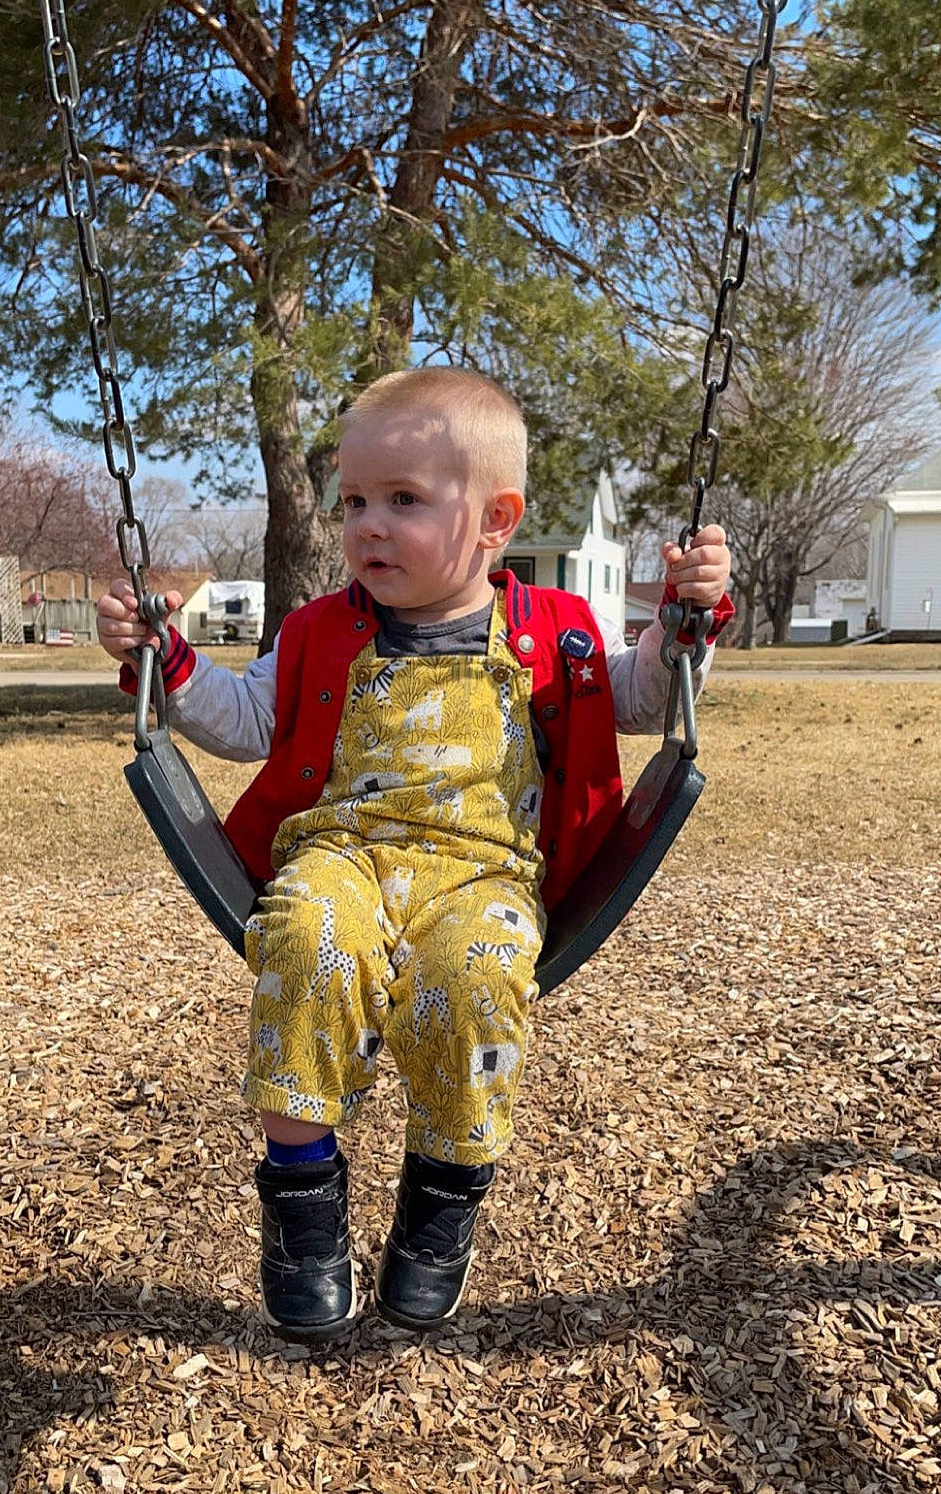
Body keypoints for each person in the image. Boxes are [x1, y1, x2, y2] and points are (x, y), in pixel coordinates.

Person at [97, 367, 734, 1339]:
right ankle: (302, 1209)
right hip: (339, 857)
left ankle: (442, 1198)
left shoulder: (553, 631)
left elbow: (642, 698)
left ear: (494, 520)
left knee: (475, 976)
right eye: (353, 500)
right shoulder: (320, 628)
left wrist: (686, 623)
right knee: (303, 939)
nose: (367, 526)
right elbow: (247, 718)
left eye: (402, 500)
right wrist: (166, 661)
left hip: (485, 872)